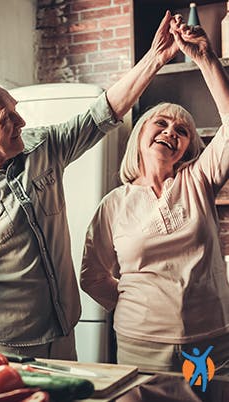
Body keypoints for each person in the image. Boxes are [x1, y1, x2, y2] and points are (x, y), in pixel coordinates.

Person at [0, 11, 181, 359]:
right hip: (4, 346)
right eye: (8, 118)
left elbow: (102, 112)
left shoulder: (43, 147)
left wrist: (154, 58)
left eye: (17, 110)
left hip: (64, 330)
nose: (22, 121)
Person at [80, 15, 229, 373]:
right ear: (140, 136)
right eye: (160, 123)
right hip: (139, 344)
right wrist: (139, 306)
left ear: (188, 148)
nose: (170, 131)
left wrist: (206, 59)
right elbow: (93, 275)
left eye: (182, 131)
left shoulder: (198, 180)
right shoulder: (114, 204)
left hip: (207, 344)